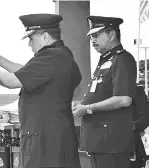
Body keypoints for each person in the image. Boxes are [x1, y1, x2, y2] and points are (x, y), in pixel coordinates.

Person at [0, 14, 82, 168]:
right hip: (50, 136)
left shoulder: (51, 57)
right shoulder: (59, 55)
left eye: (31, 39)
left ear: (45, 37)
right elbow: (25, 72)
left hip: (45, 139)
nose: (29, 44)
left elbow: (10, 81)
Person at [72, 16, 137, 168]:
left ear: (112, 34)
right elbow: (103, 94)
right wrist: (83, 103)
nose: (92, 41)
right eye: (91, 37)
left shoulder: (122, 59)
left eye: (96, 35)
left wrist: (87, 109)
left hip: (111, 142)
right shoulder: (105, 60)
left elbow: (123, 99)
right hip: (100, 141)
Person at [131, 85, 149, 168]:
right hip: (103, 146)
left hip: (131, 146)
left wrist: (127, 127)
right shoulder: (104, 90)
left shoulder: (136, 90)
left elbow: (145, 118)